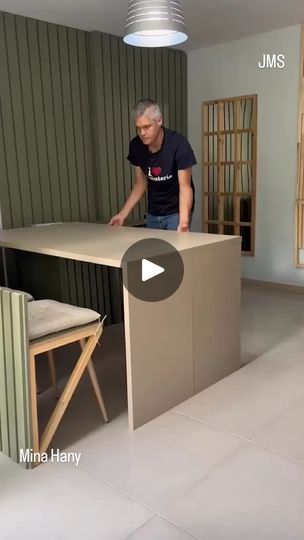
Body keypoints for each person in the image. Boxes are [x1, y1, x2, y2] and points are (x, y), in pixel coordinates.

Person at [109, 99, 197, 232]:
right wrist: (122, 214)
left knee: (175, 251)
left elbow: (185, 187)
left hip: (176, 211)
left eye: (146, 127)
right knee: (154, 250)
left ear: (159, 121)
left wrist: (184, 221)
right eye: (138, 128)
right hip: (154, 212)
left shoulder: (178, 144)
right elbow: (140, 183)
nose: (142, 133)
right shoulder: (136, 146)